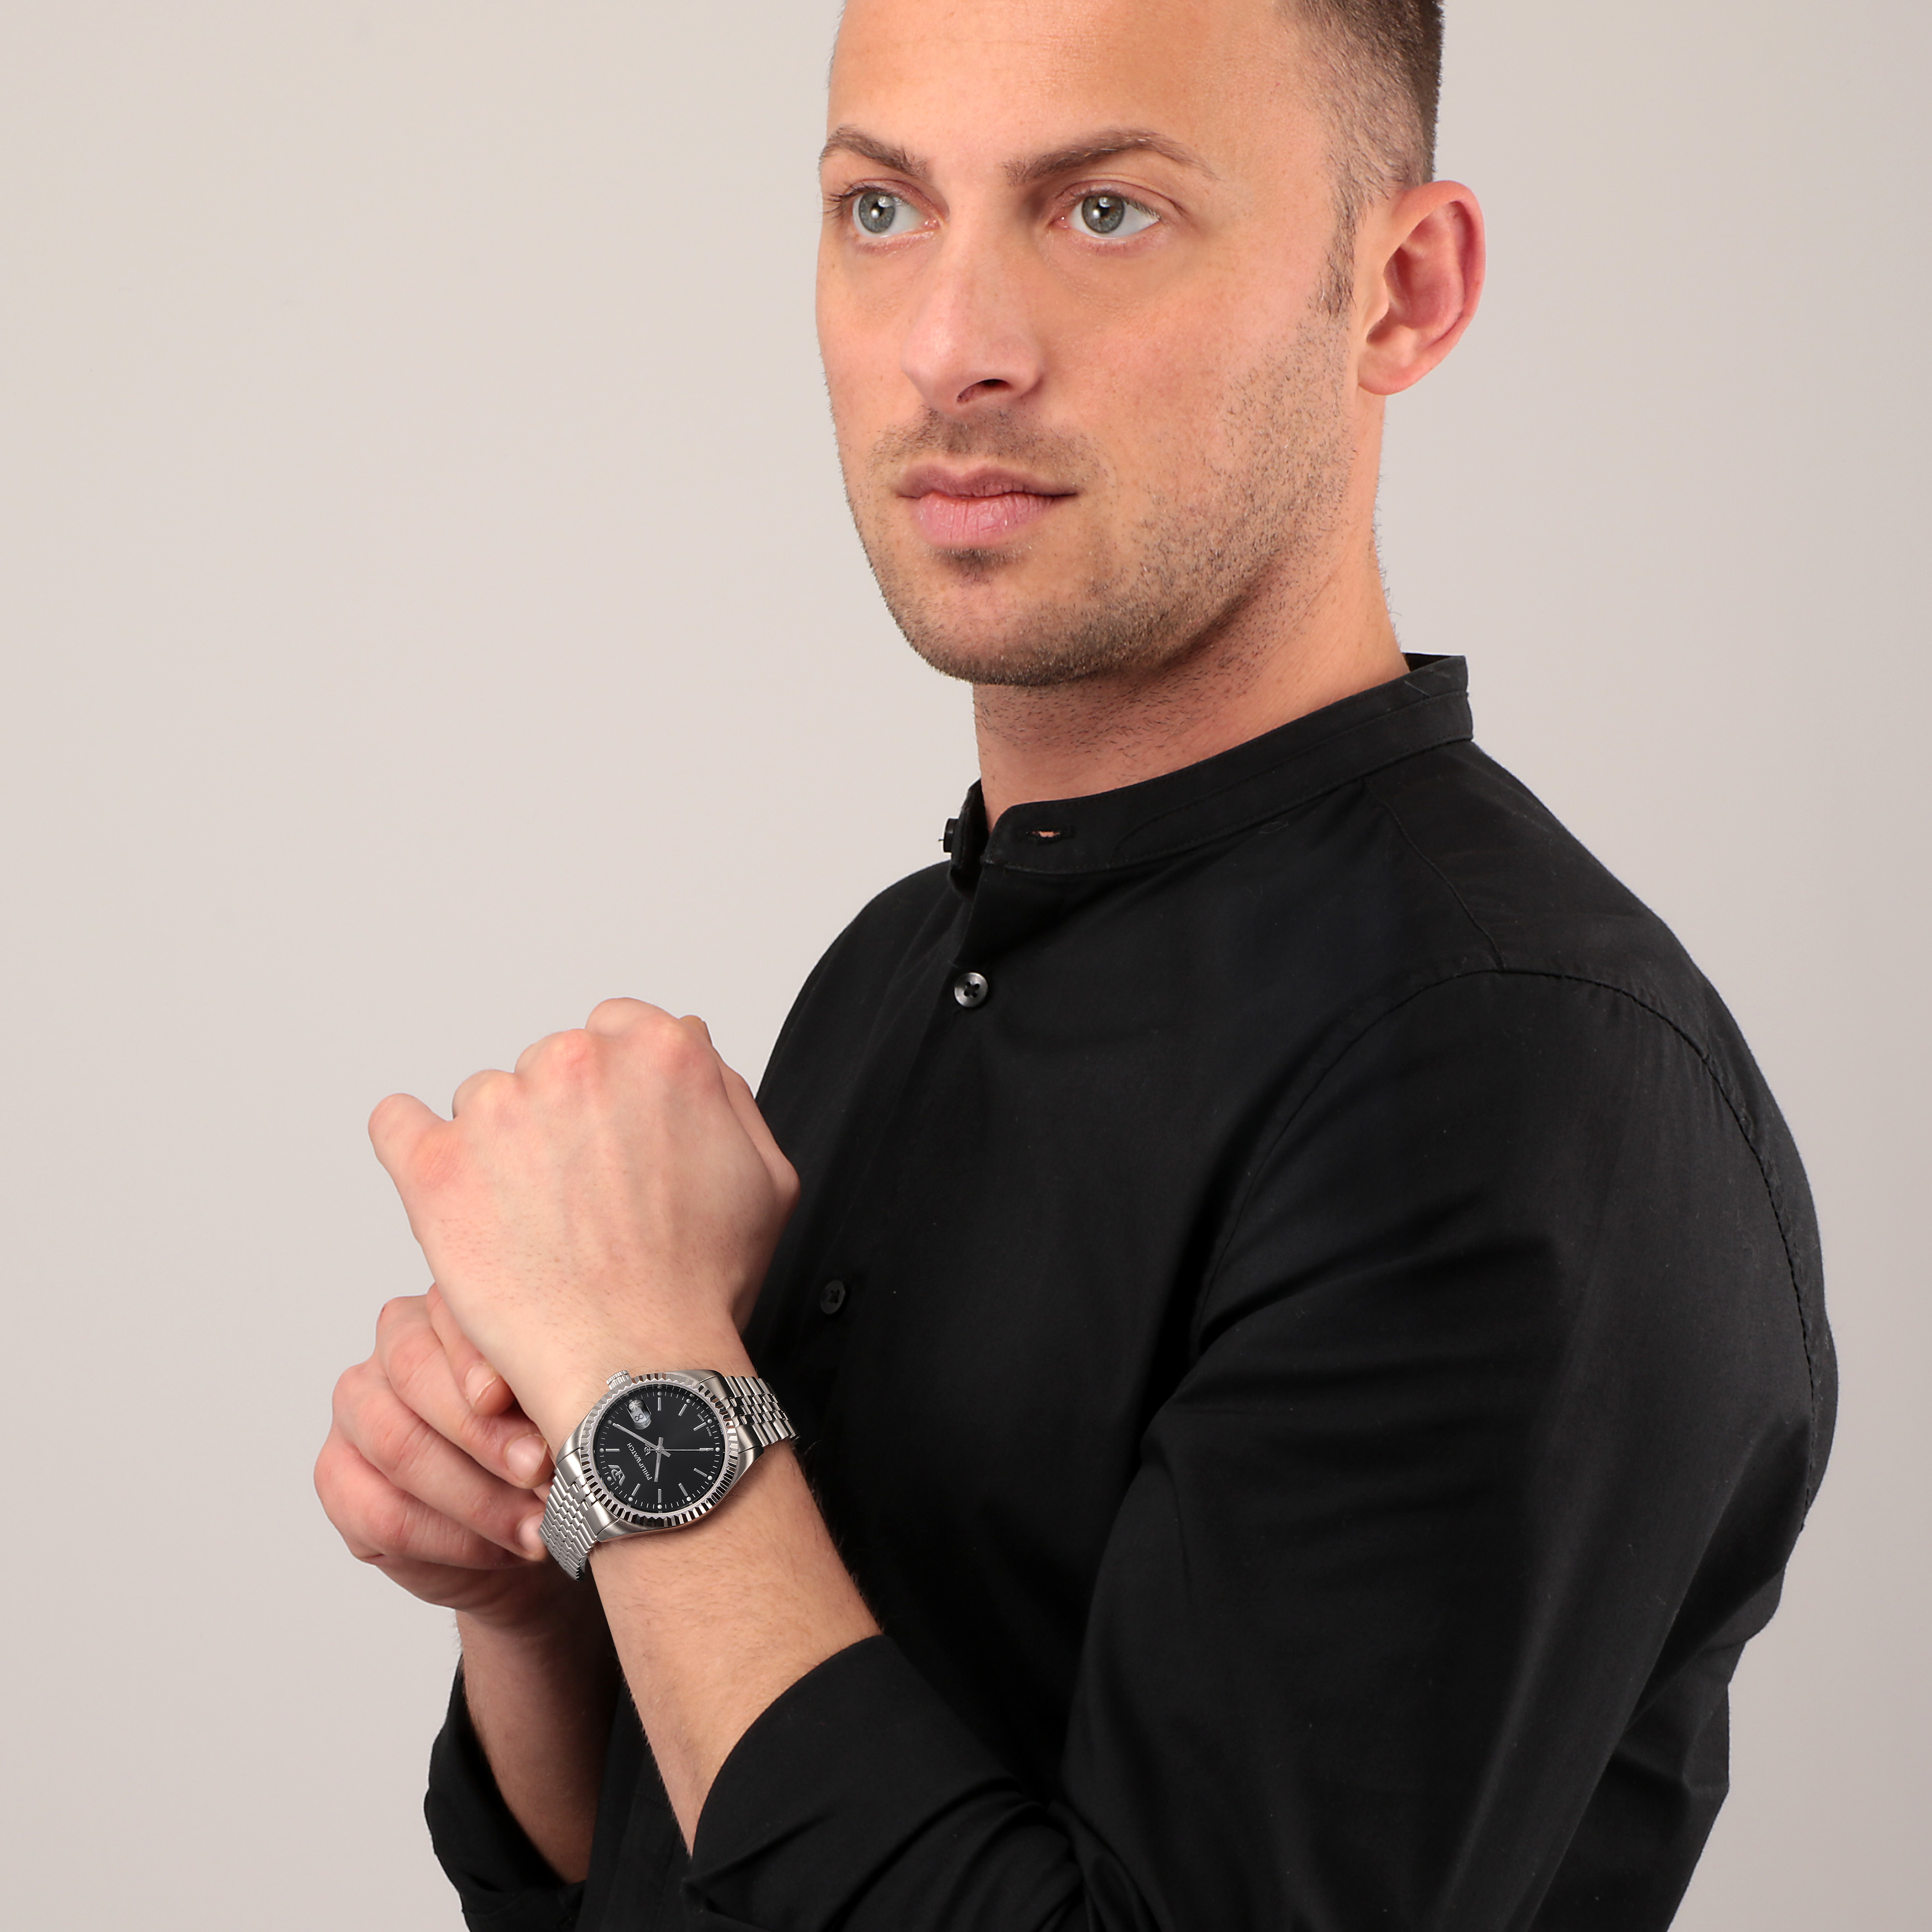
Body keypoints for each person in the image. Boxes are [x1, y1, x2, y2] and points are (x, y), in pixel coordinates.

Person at [313, 0, 1836, 1925]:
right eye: (882, 211)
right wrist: (539, 1587)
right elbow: (673, 1879)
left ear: (1402, 291)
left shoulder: (1513, 1077)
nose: (951, 347)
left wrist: (645, 1392)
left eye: (1104, 210)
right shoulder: (899, 964)